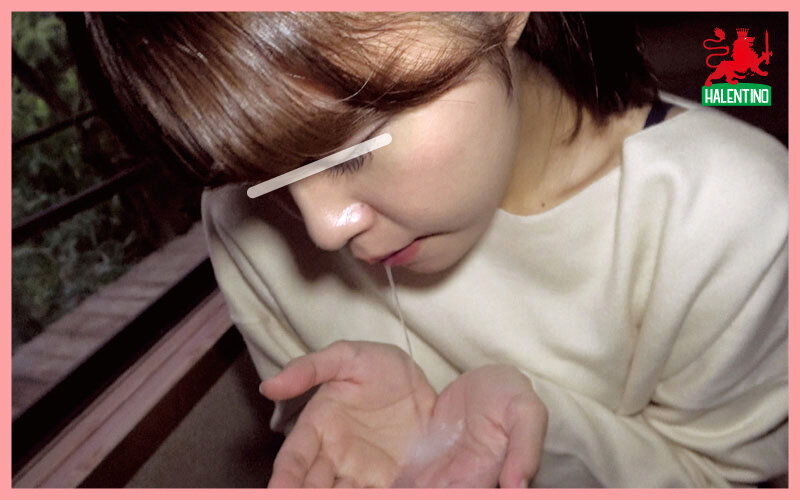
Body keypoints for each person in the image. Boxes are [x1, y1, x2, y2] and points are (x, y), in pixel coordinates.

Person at [71, 12, 787, 487]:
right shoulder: (245, 223)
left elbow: (728, 479)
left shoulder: (730, 215)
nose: (322, 230)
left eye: (353, 147)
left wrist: (544, 440)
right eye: (261, 172)